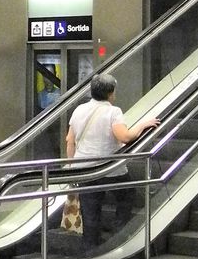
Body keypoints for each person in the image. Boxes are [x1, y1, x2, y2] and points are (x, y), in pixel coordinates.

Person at [65, 71, 159, 245]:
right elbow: (124, 137)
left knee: (90, 211)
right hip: (110, 169)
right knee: (127, 195)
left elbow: (69, 141)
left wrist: (72, 167)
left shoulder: (79, 109)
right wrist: (143, 125)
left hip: (85, 169)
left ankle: (90, 249)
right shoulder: (113, 112)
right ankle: (119, 234)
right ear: (110, 93)